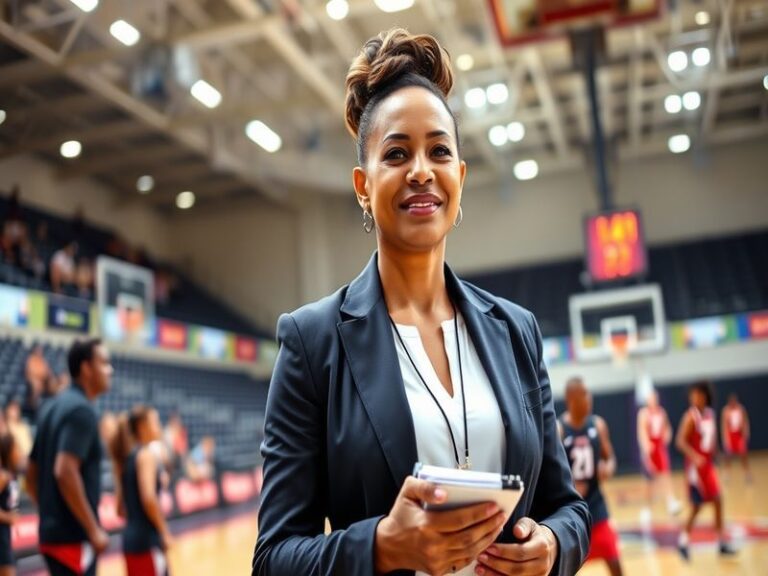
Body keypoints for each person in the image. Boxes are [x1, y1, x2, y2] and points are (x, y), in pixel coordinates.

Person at [252, 28, 590, 576]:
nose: (420, 170)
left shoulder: (516, 330)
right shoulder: (312, 343)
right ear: (363, 185)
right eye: (396, 153)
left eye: (439, 151)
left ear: (460, 176)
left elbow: (568, 507)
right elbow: (273, 559)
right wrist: (382, 546)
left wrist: (552, 546)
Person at [26, 339, 113, 576]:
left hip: (51, 536)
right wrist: (93, 529)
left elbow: (30, 474)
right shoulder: (82, 410)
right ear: (86, 368)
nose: (110, 370)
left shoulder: (50, 408)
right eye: (104, 363)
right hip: (73, 540)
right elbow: (64, 470)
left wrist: (50, 513)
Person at [559, 377, 623, 576]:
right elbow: (551, 472)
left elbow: (610, 457)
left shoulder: (598, 425)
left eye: (588, 393)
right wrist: (570, 484)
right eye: (584, 394)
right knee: (565, 569)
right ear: (571, 399)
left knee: (615, 563)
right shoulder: (559, 429)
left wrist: (608, 467)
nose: (589, 398)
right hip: (570, 510)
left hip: (596, 506)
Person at [675, 380, 736, 560]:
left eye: (698, 395)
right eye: (692, 395)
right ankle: (684, 541)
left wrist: (718, 455)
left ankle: (720, 542)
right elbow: (680, 441)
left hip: (708, 466)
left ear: (705, 396)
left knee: (717, 500)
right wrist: (695, 456)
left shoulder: (710, 414)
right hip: (695, 470)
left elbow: (711, 440)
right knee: (698, 506)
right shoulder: (690, 417)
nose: (694, 398)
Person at [109, 406, 173, 576]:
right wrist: (164, 531)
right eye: (155, 422)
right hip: (147, 541)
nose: (159, 426)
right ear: (142, 427)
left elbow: (120, 509)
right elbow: (149, 498)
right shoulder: (146, 455)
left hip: (130, 541)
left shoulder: (127, 459)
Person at [636, 389, 681, 517]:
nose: (653, 400)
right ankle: (647, 508)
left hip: (660, 448)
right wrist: (646, 448)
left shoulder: (661, 412)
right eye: (651, 398)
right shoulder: (643, 413)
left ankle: (671, 502)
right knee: (649, 481)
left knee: (665, 475)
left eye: (655, 398)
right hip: (649, 449)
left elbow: (667, 428)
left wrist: (667, 436)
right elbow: (641, 431)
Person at [0, 434, 21, 576]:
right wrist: (8, 517)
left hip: (6, 537)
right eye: (16, 449)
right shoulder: (3, 476)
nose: (19, 453)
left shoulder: (12, 475)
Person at [721, 393, 751, 482]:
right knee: (728, 456)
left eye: (734, 401)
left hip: (739, 435)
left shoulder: (741, 409)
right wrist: (725, 438)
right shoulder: (726, 411)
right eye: (731, 402)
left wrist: (746, 433)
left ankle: (747, 474)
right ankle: (727, 474)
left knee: (743, 455)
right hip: (730, 435)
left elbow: (745, 421)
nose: (733, 403)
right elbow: (724, 425)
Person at [24, 344, 50, 421]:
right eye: (38, 350)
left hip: (43, 381)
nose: (40, 352)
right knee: (36, 384)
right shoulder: (31, 359)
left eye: (40, 351)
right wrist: (40, 375)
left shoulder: (43, 361)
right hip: (33, 381)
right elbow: (31, 372)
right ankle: (34, 406)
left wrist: (42, 376)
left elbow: (46, 372)